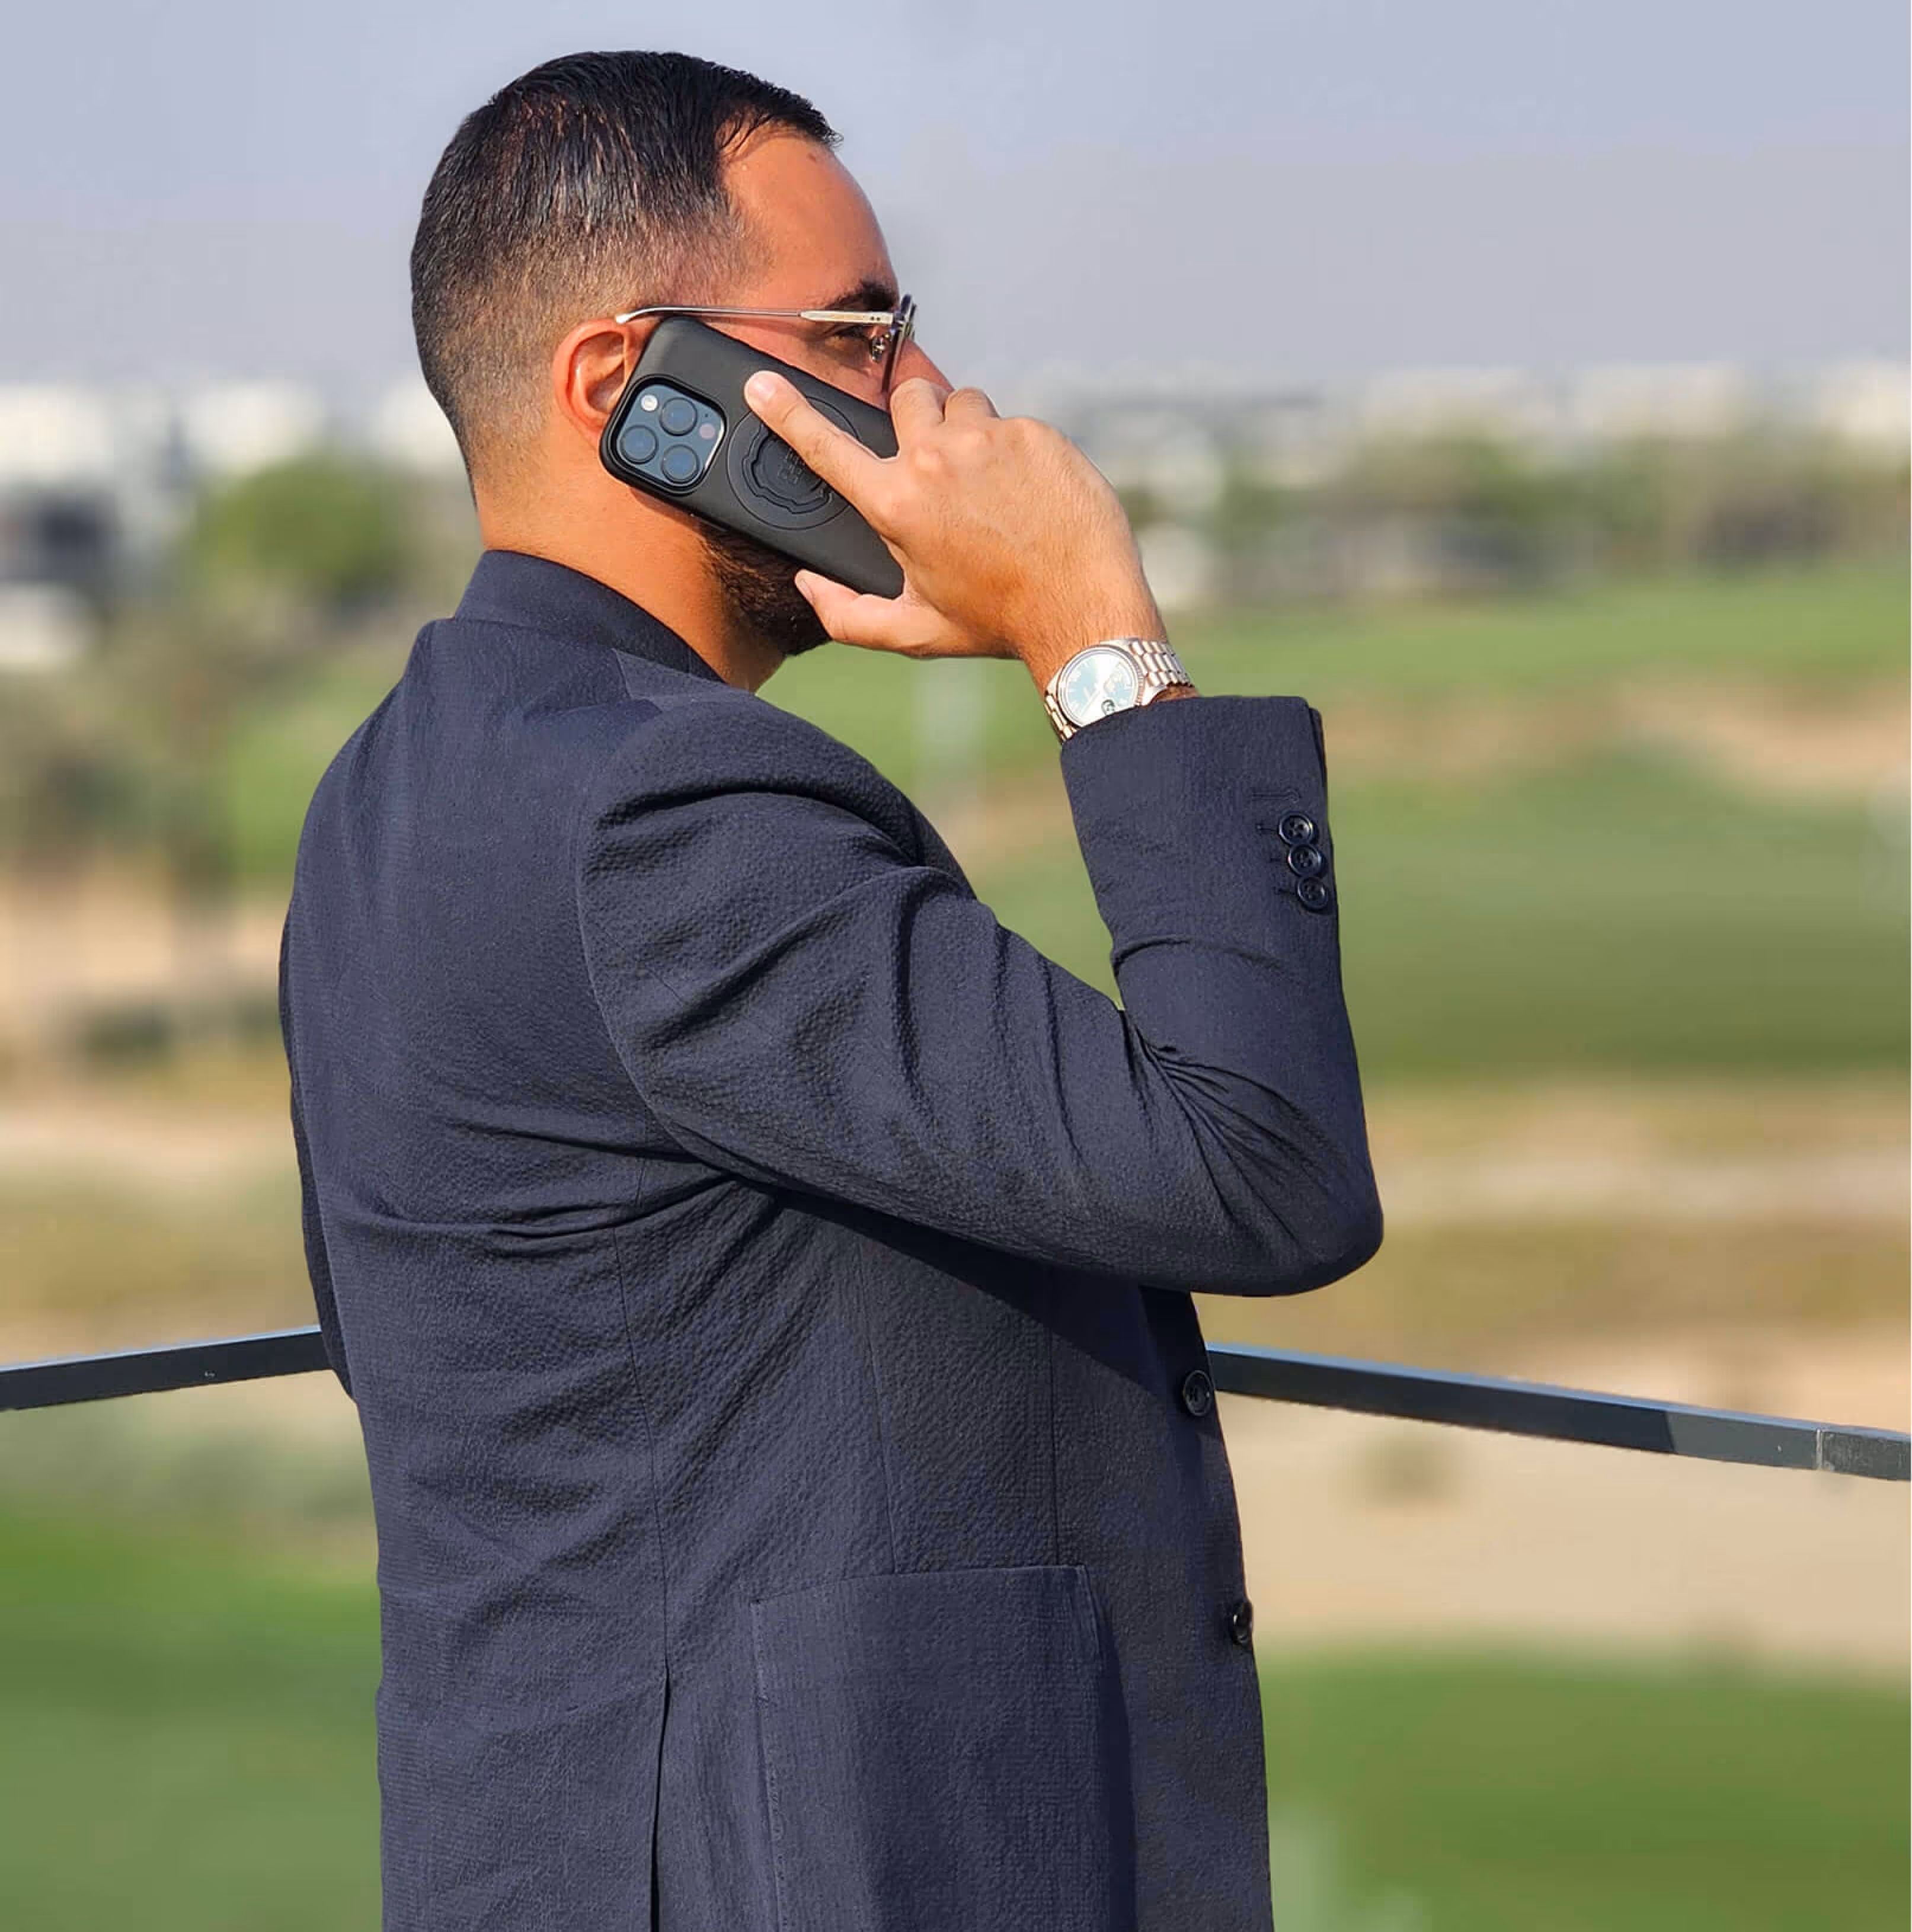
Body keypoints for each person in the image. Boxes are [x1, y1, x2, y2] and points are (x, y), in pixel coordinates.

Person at [279, 47, 1382, 1932]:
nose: (930, 400)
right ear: (634, 389)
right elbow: (1260, 1163)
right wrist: (1099, 636)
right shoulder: (671, 809)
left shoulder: (398, 779)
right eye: (863, 333)